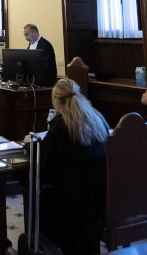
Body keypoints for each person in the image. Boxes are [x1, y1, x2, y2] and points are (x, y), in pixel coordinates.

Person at [38, 78, 108, 254]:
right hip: (102, 193)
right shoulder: (96, 117)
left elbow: (46, 168)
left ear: (57, 100)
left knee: (44, 198)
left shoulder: (61, 125)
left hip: (75, 195)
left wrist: (31, 145)